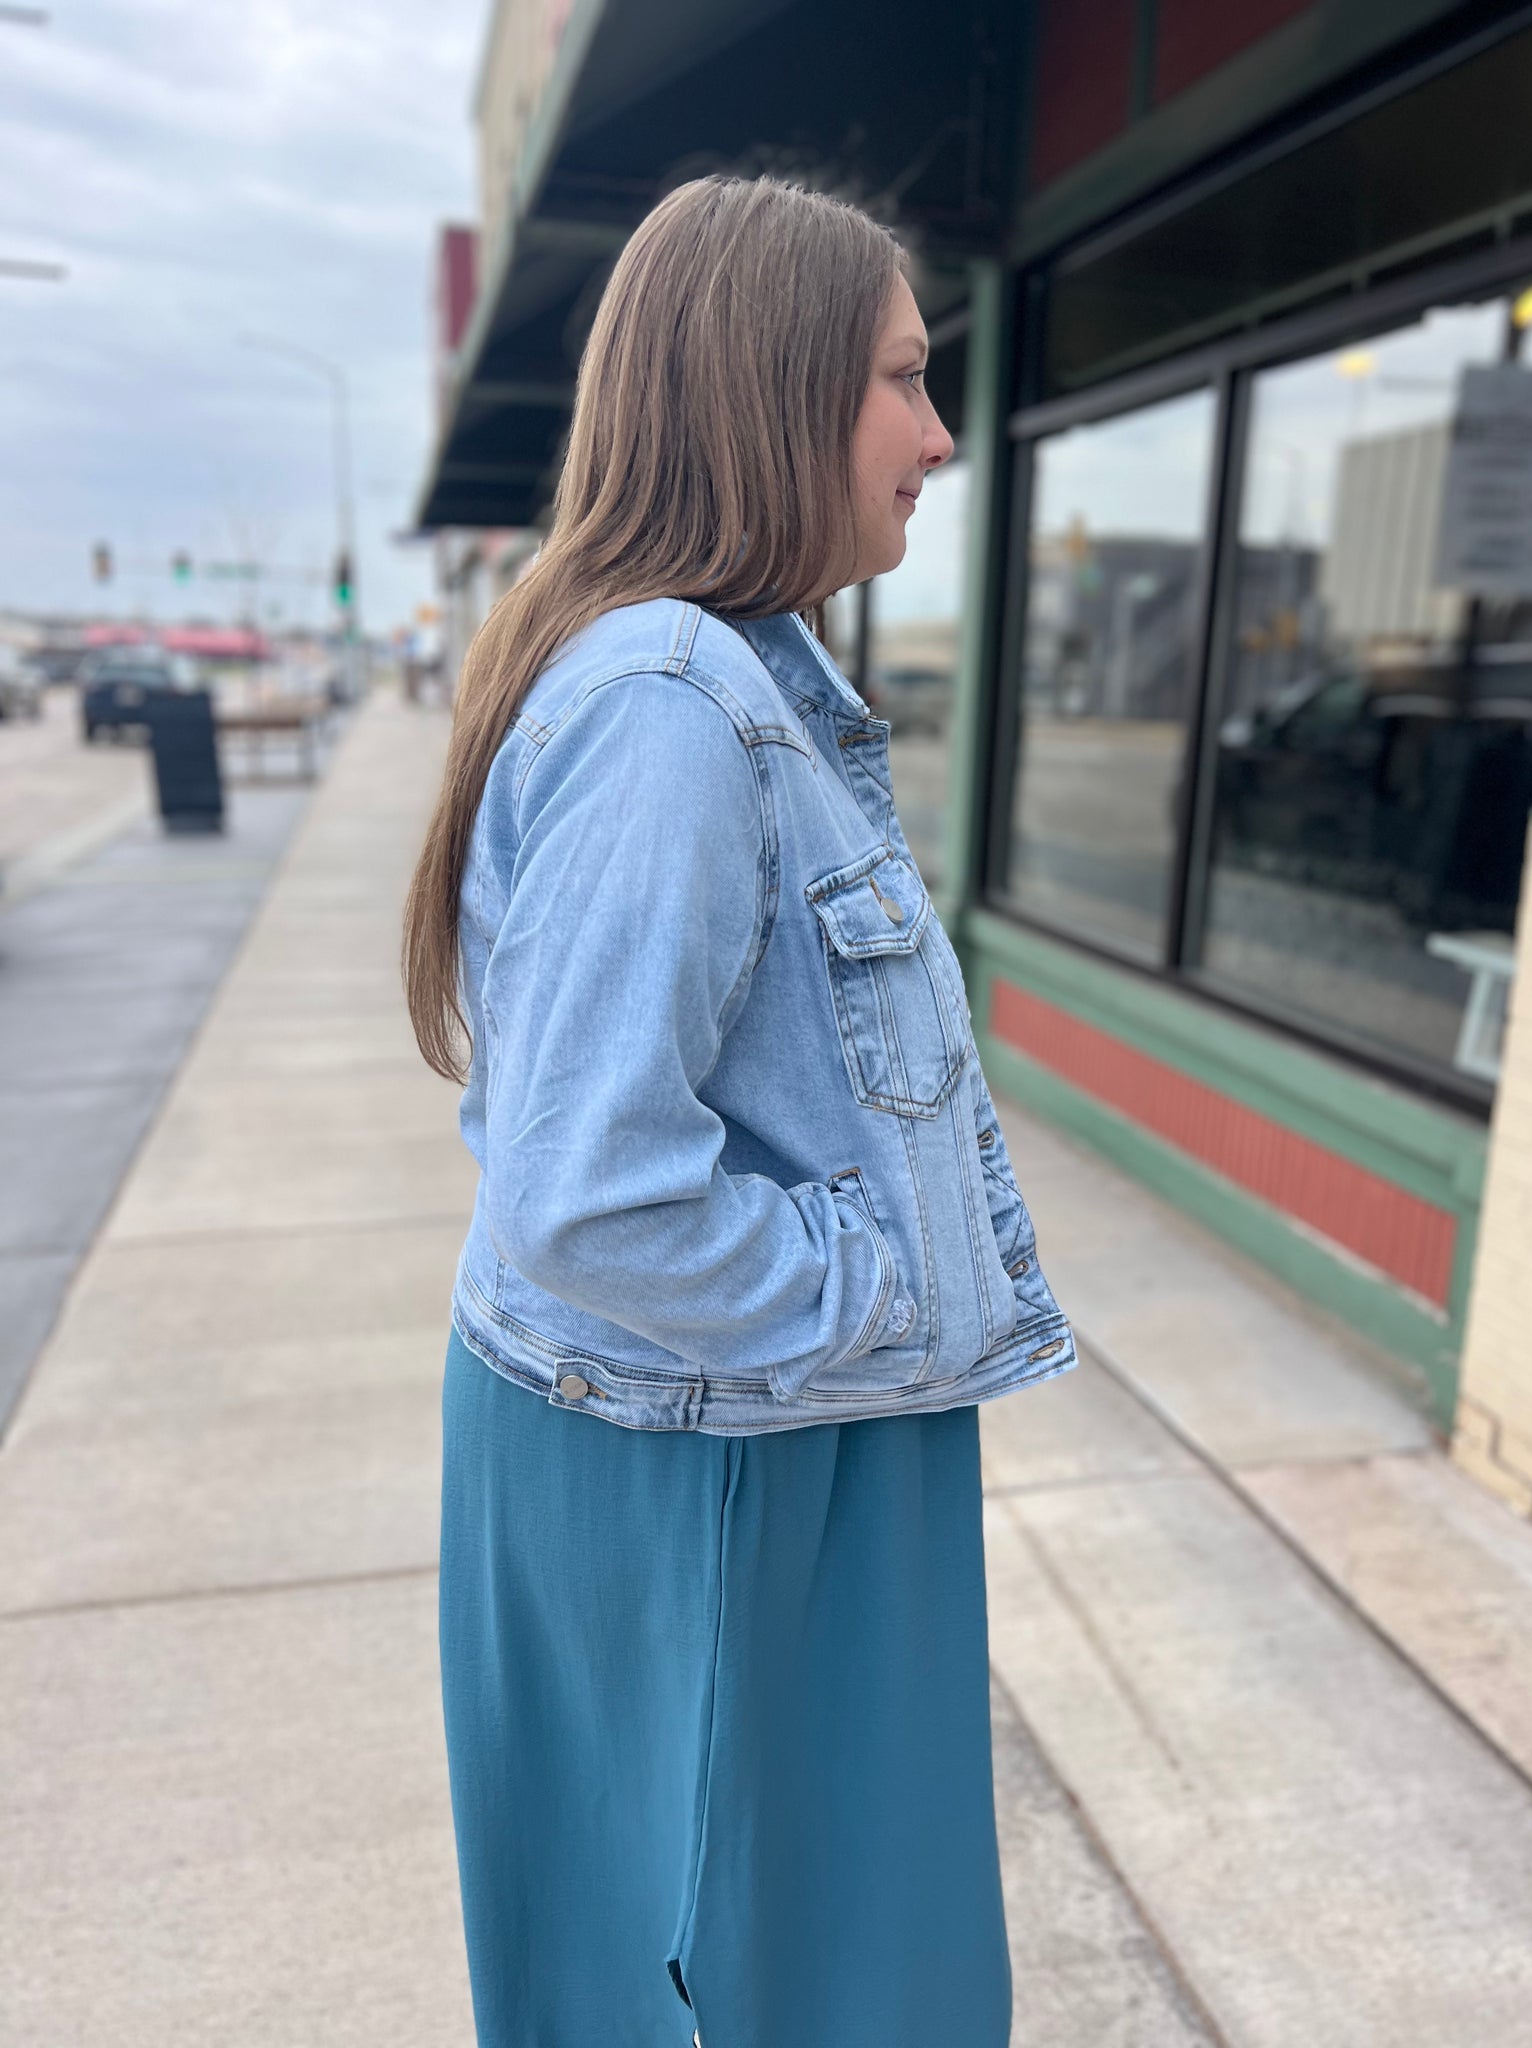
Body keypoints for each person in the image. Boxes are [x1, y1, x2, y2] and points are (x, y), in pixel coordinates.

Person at [402, 172, 1078, 2048]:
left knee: (803, 1967)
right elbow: (592, 1193)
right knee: (760, 1987)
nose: (940, 437)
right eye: (903, 379)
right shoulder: (673, 708)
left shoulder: (734, 672)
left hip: (751, 1421)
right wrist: (892, 1285)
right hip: (711, 1443)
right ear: (772, 391)